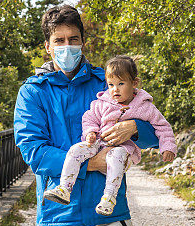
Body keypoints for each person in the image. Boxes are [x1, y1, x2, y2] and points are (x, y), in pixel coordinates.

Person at [13, 4, 161, 226]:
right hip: (58, 218)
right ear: (48, 46)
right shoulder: (33, 92)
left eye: (73, 39)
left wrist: (134, 127)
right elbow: (35, 153)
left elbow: (156, 133)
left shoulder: (108, 83)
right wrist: (93, 163)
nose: (67, 46)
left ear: (83, 42)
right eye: (59, 40)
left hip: (109, 216)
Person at [43, 55, 177, 216]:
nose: (115, 89)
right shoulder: (102, 102)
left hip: (122, 150)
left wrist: (167, 147)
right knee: (75, 150)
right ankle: (64, 188)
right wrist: (90, 132)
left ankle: (109, 198)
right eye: (111, 84)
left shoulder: (144, 107)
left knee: (116, 156)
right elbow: (89, 117)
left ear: (134, 83)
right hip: (98, 143)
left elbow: (162, 127)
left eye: (121, 84)